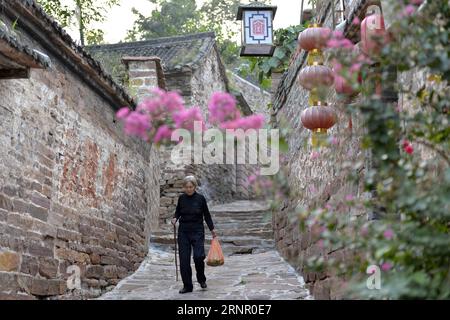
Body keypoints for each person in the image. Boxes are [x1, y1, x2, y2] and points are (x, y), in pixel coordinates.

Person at [171, 175, 217, 294]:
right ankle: (187, 286)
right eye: (186, 187)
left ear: (195, 187)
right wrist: (175, 218)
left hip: (197, 231)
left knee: (198, 257)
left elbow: (206, 215)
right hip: (184, 232)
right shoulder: (181, 199)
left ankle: (201, 279)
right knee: (184, 260)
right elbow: (178, 212)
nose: (189, 189)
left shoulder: (201, 199)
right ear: (184, 188)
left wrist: (212, 229)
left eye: (191, 187)